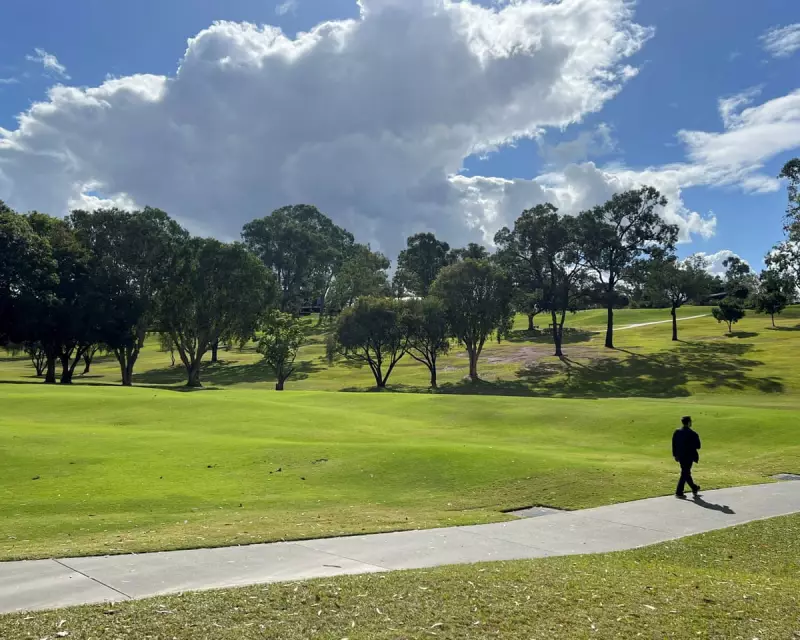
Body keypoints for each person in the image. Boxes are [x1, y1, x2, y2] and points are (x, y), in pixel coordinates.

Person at [672, 416, 701, 498]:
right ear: (688, 423)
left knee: (686, 472)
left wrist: (675, 455)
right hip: (689, 456)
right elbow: (698, 446)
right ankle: (679, 492)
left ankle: (694, 487)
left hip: (680, 456)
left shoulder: (677, 432)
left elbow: (674, 445)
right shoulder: (693, 434)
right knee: (685, 473)